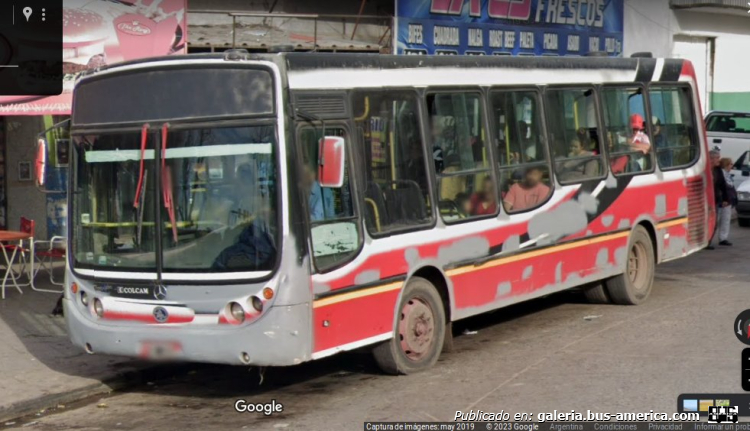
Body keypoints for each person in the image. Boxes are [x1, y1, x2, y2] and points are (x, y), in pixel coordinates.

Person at [707, 149, 729, 250]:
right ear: (711, 159)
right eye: (717, 158)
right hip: (704, 199)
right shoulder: (705, 169)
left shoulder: (718, 170)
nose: (719, 160)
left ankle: (708, 241)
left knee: (713, 221)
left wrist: (725, 199)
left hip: (714, 199)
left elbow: (722, 185)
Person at [717, 157, 737, 246]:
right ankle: (719, 238)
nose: (731, 166)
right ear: (726, 165)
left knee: (726, 220)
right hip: (723, 201)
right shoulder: (722, 175)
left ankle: (723, 238)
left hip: (728, 200)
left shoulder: (727, 175)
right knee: (719, 219)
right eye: (730, 164)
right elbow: (722, 188)